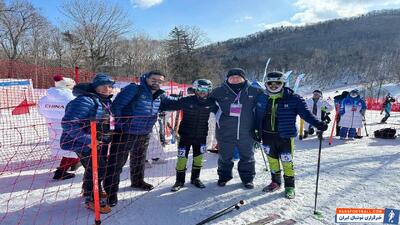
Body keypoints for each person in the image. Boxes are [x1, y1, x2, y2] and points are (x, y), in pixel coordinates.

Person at [254, 71, 328, 199]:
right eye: (270, 83)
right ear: (266, 84)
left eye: (277, 82)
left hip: (285, 137)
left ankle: (289, 186)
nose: (273, 85)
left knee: (287, 162)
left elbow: (306, 114)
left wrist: (318, 124)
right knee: (272, 161)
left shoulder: (294, 98)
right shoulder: (261, 97)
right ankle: (275, 182)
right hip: (267, 136)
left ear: (283, 83)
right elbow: (256, 115)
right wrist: (255, 130)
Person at [104, 70, 166, 207]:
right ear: (146, 78)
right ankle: (110, 192)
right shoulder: (134, 89)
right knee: (116, 164)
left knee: (139, 159)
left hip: (144, 132)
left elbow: (173, 103)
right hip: (125, 133)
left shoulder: (159, 95)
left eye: (160, 81)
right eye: (153, 79)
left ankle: (138, 181)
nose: (156, 82)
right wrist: (122, 124)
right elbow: (116, 106)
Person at [60, 73, 115, 213]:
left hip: (99, 141)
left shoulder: (105, 101)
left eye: (109, 86)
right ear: (94, 86)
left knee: (93, 168)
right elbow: (68, 124)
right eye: (102, 85)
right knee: (98, 169)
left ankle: (89, 190)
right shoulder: (85, 100)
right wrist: (89, 140)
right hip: (84, 142)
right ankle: (92, 199)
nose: (106, 89)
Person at [210, 68, 263, 189]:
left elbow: (264, 106)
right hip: (225, 132)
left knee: (247, 157)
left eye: (238, 77)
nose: (234, 79)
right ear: (227, 79)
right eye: (231, 77)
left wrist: (258, 129)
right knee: (225, 157)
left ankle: (247, 179)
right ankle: (224, 177)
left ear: (244, 78)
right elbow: (206, 102)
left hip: (246, 132)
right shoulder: (218, 91)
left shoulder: (255, 91)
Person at [161, 79, 217, 192]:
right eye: (200, 89)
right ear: (195, 89)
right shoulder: (186, 100)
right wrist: (159, 102)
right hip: (185, 136)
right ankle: (179, 181)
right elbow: (170, 105)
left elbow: (223, 112)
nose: (202, 92)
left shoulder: (211, 102)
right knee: (182, 159)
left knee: (199, 159)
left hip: (201, 136)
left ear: (209, 90)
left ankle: (195, 179)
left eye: (205, 90)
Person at [38, 75, 80, 180]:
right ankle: (61, 171)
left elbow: (40, 111)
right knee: (73, 148)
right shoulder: (73, 98)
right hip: (70, 128)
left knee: (69, 149)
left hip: (53, 129)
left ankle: (73, 164)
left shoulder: (44, 99)